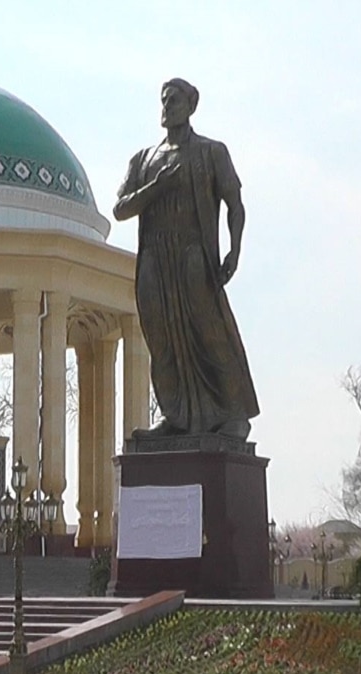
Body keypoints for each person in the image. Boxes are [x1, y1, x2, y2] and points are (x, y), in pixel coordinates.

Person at [113, 78, 259, 440]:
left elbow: (234, 204)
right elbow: (120, 209)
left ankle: (233, 412)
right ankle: (174, 413)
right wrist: (157, 187)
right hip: (154, 259)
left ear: (191, 106)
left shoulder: (212, 152)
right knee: (159, 337)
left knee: (208, 330)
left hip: (193, 255)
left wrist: (234, 250)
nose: (167, 106)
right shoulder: (143, 159)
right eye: (164, 100)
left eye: (174, 100)